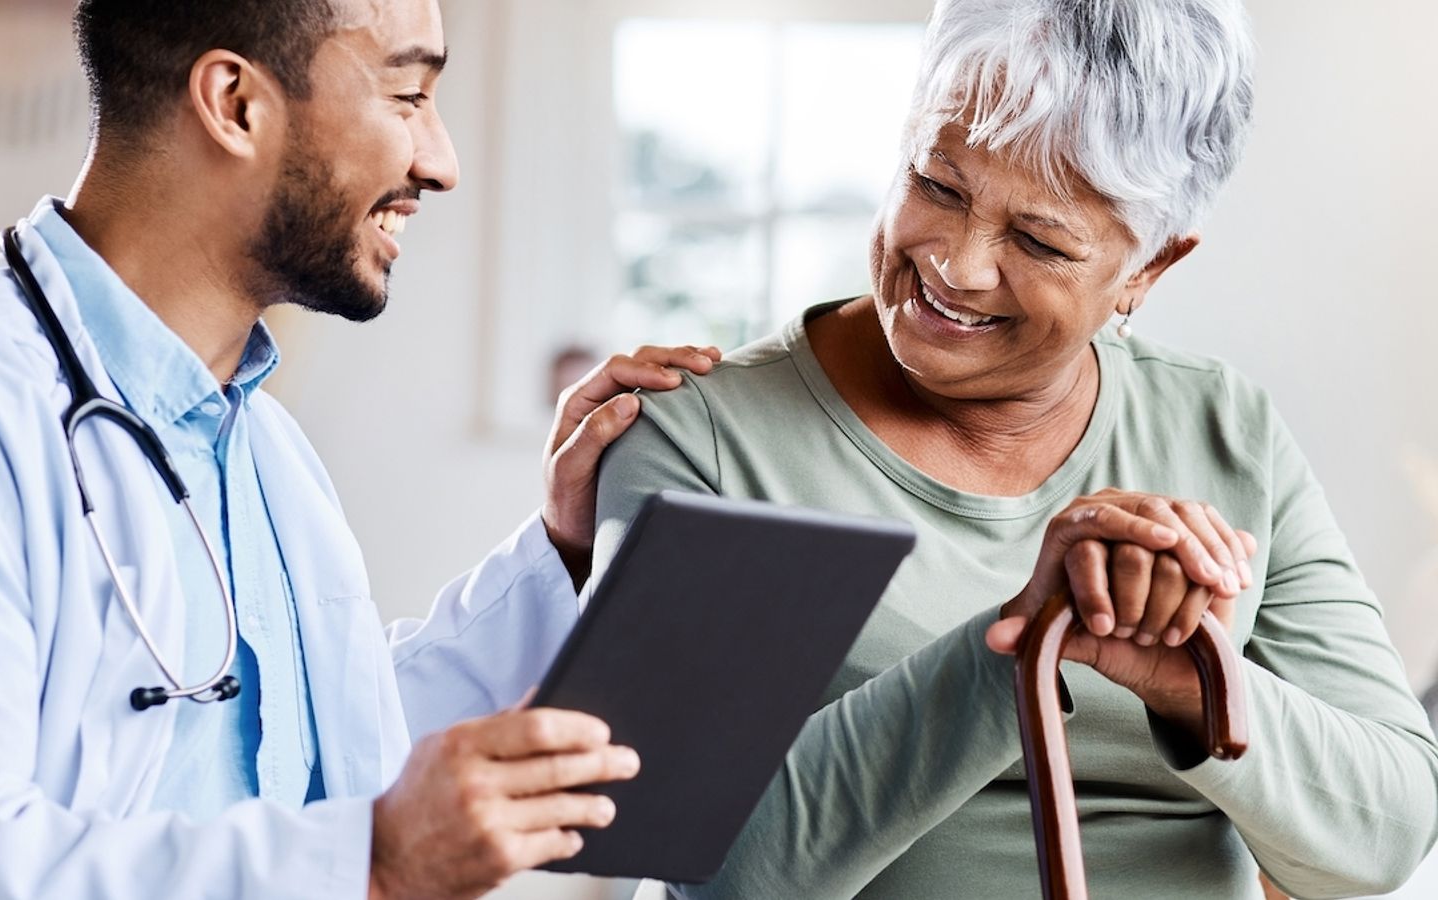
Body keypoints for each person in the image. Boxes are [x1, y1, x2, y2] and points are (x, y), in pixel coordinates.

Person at [0, 1, 723, 898]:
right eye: (409, 94)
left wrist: (562, 548)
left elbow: (333, 760)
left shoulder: (258, 440)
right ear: (235, 103)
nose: (441, 163)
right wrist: (371, 867)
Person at [593, 0, 1438, 897]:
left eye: (1038, 240)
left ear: (1149, 269)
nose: (957, 265)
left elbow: (1387, 835)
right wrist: (1019, 644)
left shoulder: (1225, 429)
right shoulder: (703, 442)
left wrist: (1196, 682)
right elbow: (700, 873)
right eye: (937, 185)